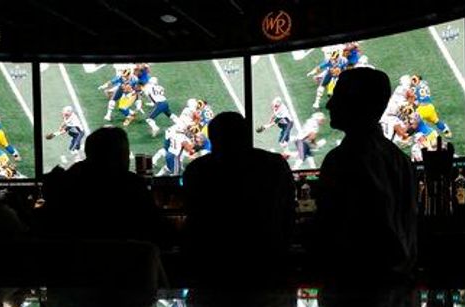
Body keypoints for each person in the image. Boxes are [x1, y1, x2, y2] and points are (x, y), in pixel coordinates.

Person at [313, 68, 417, 282]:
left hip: (357, 287)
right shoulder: (400, 159)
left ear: (356, 104)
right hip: (398, 283)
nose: (330, 104)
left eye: (338, 97)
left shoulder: (342, 159)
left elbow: (331, 231)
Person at [183, 111, 295, 284]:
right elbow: (289, 212)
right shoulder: (274, 164)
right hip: (266, 260)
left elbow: (193, 217)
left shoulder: (197, 169)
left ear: (213, 139)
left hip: (212, 263)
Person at [38, 126, 163, 243]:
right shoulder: (131, 185)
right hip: (122, 257)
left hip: (73, 256)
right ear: (119, 156)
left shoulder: (69, 179)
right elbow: (161, 233)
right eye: (125, 152)